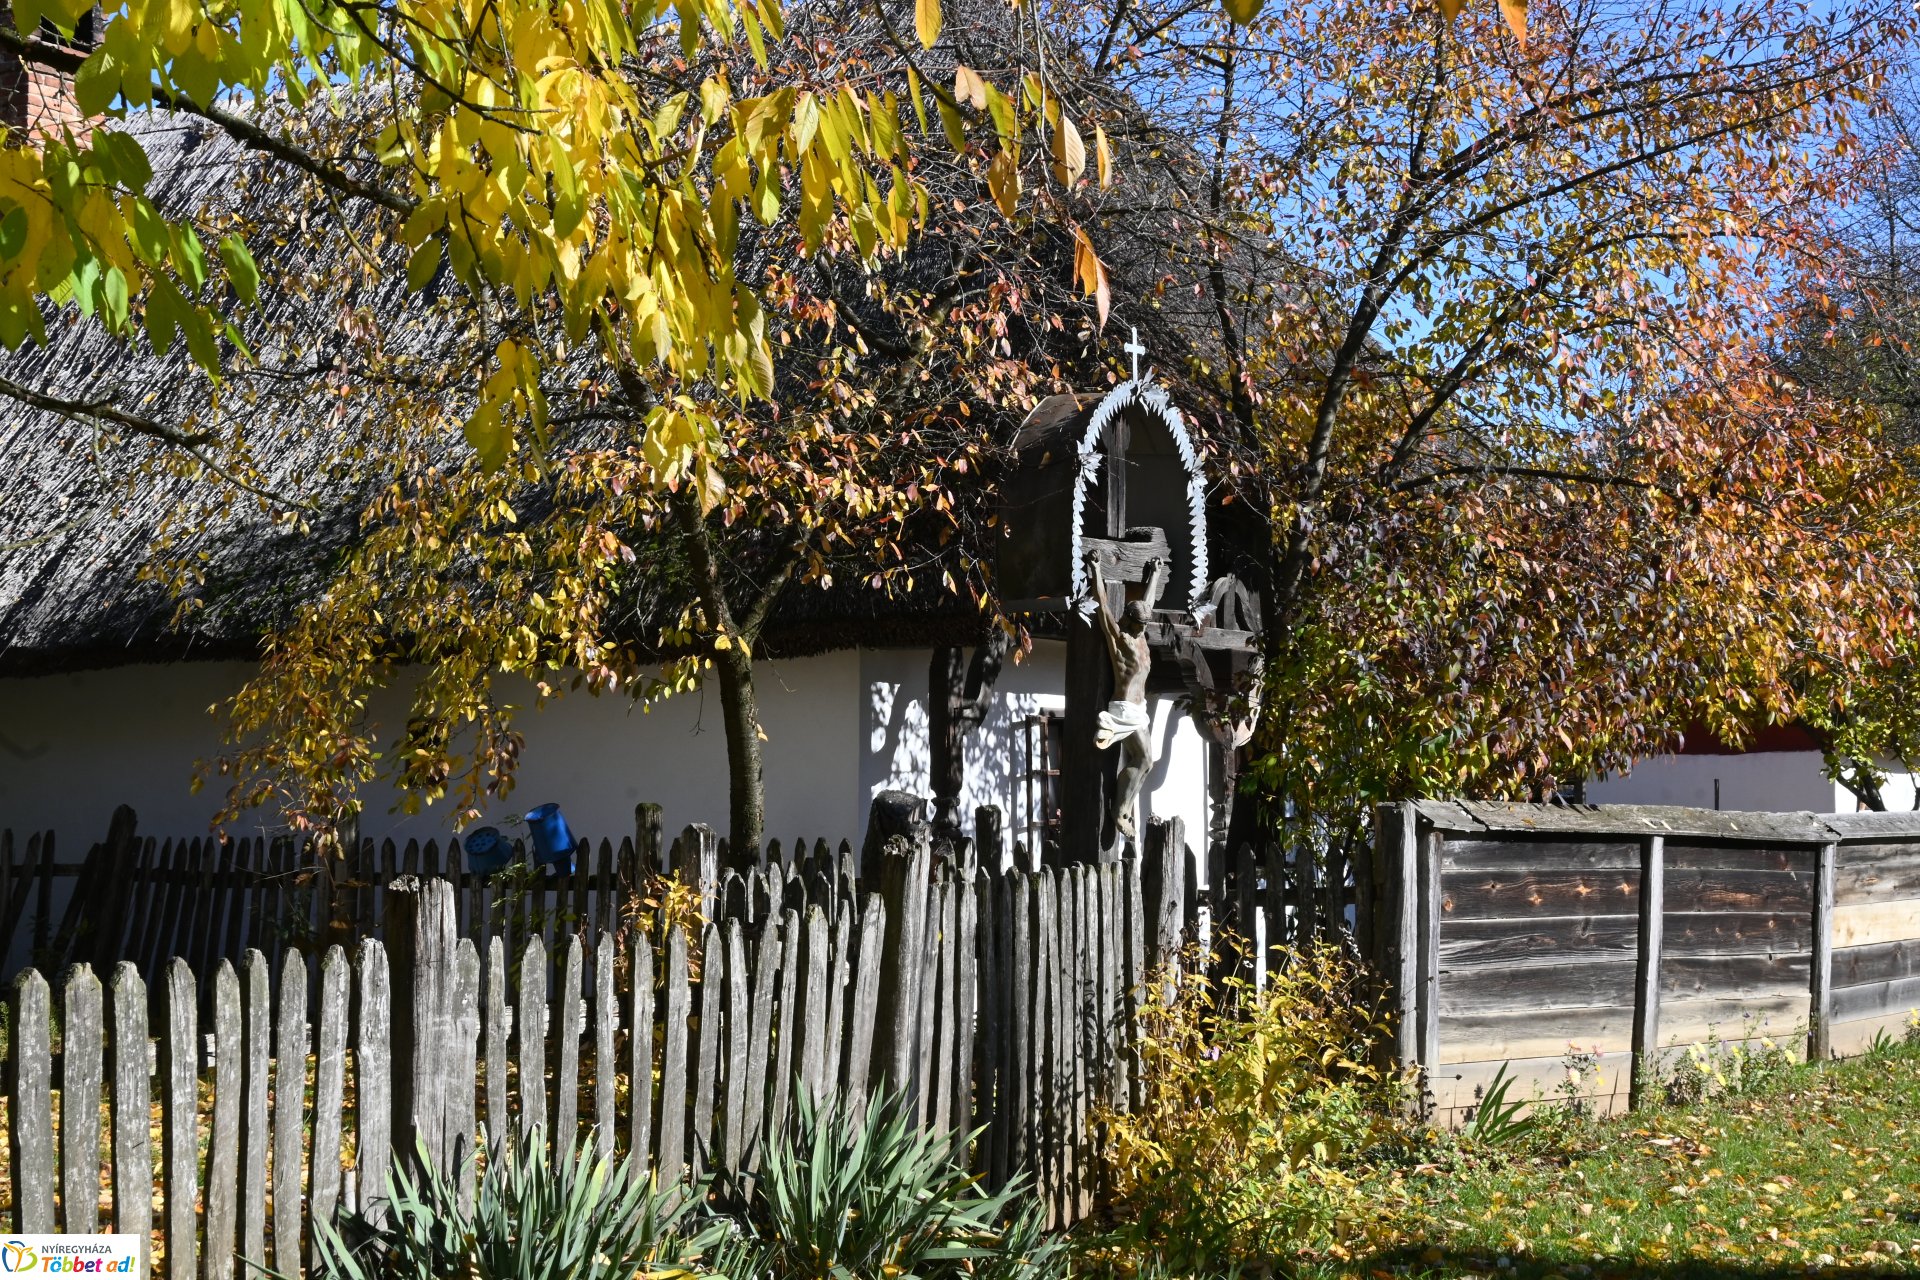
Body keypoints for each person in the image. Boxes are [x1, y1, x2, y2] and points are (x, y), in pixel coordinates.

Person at [1089, 554, 1167, 841]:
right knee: (1144, 757)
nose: (1144, 628)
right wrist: (1096, 569)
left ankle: (1125, 805)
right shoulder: (1121, 639)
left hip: (1139, 710)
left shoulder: (1141, 636)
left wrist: (1155, 575)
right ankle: (1120, 811)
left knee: (1146, 762)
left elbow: (1148, 604)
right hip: (1123, 708)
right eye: (1140, 624)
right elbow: (1103, 605)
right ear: (1131, 622)